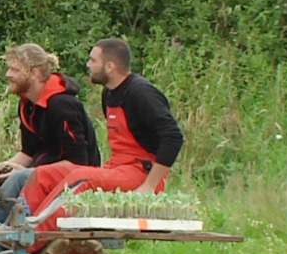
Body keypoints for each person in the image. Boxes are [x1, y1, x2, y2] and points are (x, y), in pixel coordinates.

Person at [20, 38, 184, 235]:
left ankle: (31, 236)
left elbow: (173, 136)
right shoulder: (109, 93)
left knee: (81, 179)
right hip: (117, 168)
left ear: (109, 66)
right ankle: (12, 228)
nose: (88, 65)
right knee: (43, 175)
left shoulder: (141, 92)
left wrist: (149, 186)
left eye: (92, 60)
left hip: (140, 173)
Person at [0, 43, 100, 224]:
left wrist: (29, 172)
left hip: (73, 178)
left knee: (19, 177)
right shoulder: (27, 104)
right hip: (40, 172)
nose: (8, 75)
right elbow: (28, 152)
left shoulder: (63, 105)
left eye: (14, 70)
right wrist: (4, 166)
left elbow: (78, 163)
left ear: (34, 73)